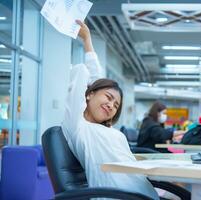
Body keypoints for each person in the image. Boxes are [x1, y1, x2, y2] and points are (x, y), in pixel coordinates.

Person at [61, 20, 159, 200]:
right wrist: (87, 40)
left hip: (143, 191)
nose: (111, 106)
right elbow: (84, 73)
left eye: (116, 105)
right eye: (108, 97)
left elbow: (98, 83)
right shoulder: (77, 125)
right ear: (89, 93)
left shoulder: (107, 130)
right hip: (117, 196)